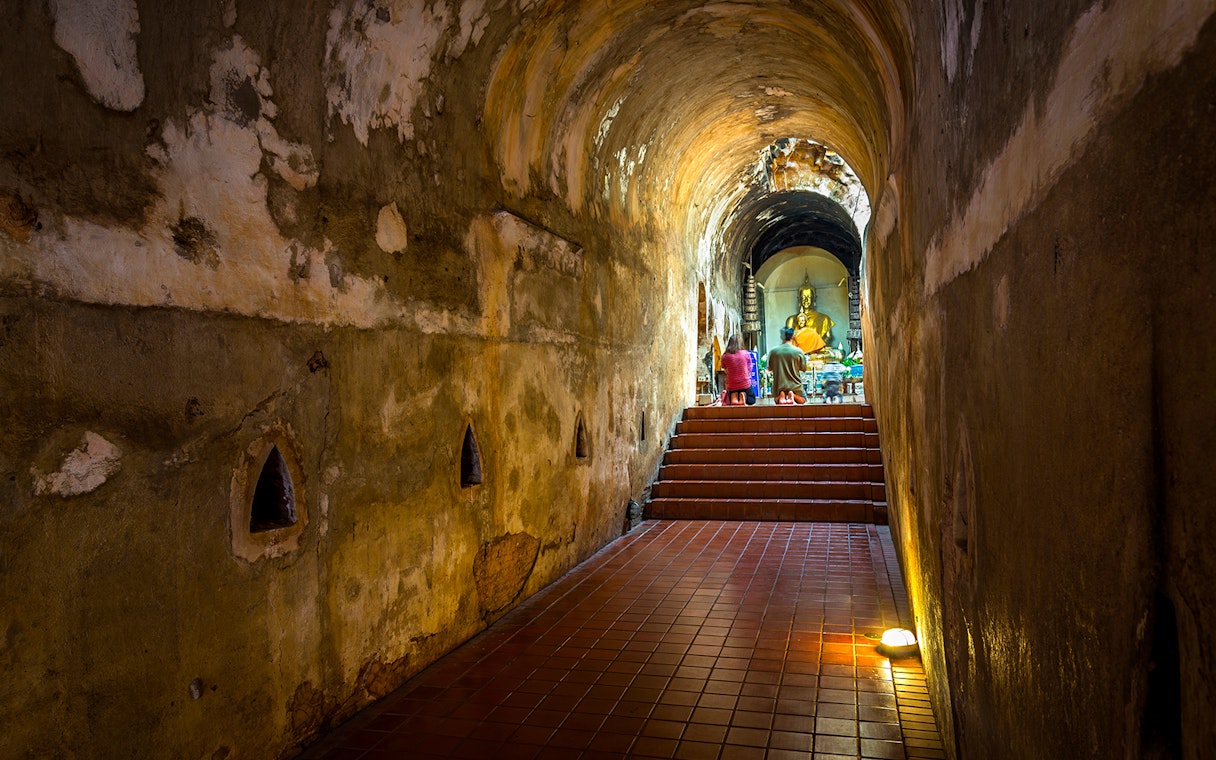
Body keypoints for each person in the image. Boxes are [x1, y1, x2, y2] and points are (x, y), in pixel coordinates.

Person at [767, 327, 807, 404]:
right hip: (796, 387)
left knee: (776, 400)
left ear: (781, 336)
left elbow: (770, 368)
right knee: (803, 400)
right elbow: (803, 368)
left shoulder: (773, 351)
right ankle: (793, 395)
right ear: (793, 336)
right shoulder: (798, 351)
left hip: (779, 387)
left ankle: (781, 396)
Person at [719, 334, 756, 405]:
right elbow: (749, 369)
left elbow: (725, 370)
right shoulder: (745, 353)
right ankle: (743, 395)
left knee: (732, 391)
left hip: (732, 385)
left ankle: (734, 396)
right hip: (745, 384)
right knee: (752, 400)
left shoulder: (725, 356)